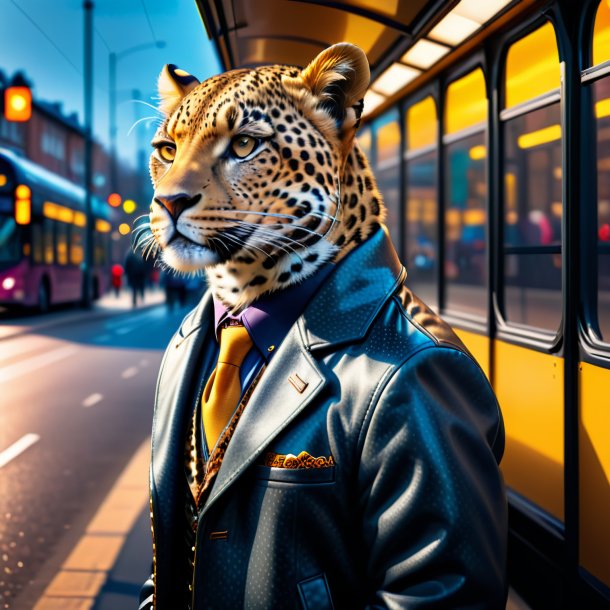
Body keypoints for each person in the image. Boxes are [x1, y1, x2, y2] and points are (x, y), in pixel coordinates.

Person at [140, 44, 507, 609]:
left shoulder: (413, 370)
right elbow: (173, 555)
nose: (174, 189)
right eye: (169, 148)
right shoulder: (191, 346)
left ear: (332, 129)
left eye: (243, 145)